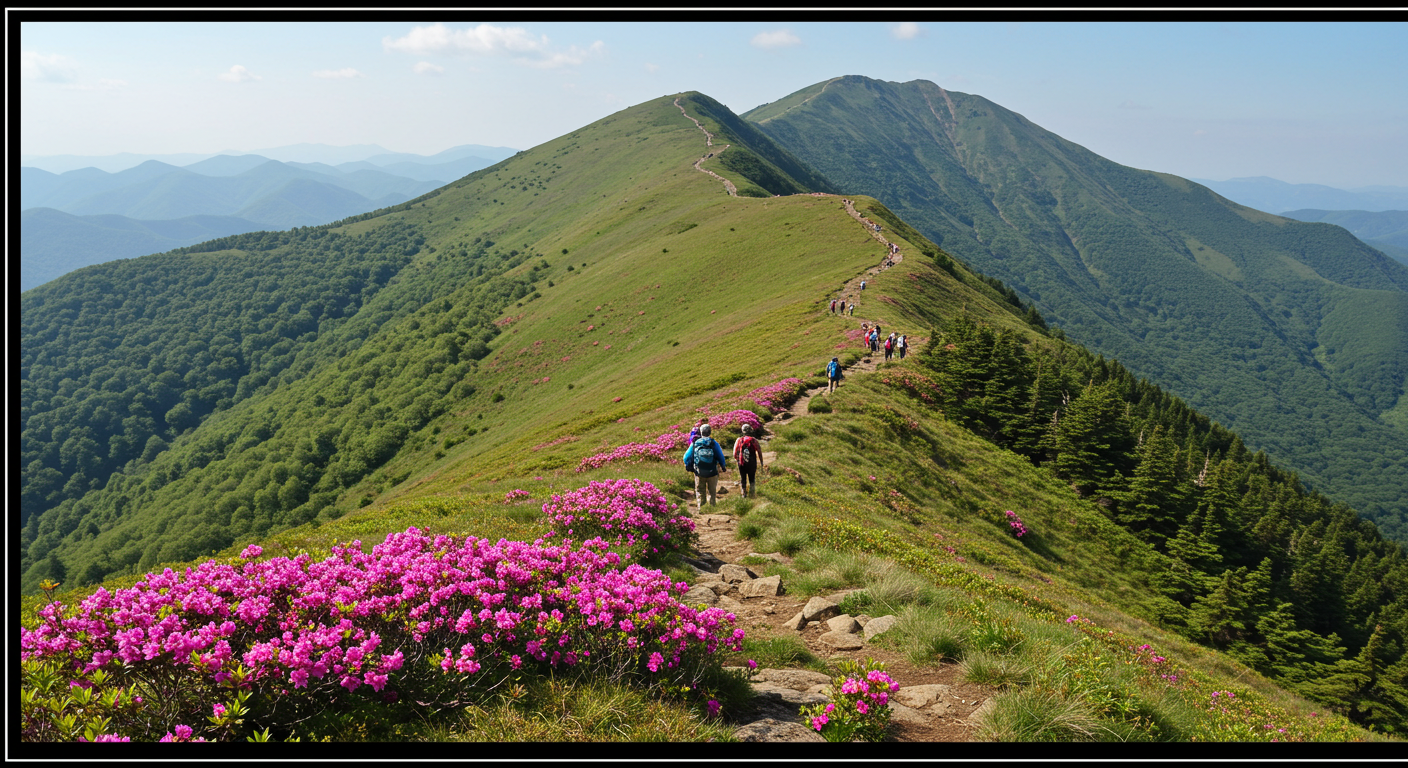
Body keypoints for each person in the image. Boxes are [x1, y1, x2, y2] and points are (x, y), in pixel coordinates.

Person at [683, 424, 728, 508]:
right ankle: (712, 507)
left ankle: (701, 508)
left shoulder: (695, 443)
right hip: (712, 471)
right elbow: (720, 456)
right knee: (712, 491)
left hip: (699, 471)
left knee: (700, 491)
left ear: (701, 432)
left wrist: (688, 465)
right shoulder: (713, 443)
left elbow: (686, 457)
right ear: (710, 432)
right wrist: (723, 466)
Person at [733, 423, 764, 499]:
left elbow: (734, 453)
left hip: (742, 463)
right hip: (752, 462)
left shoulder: (739, 440)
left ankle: (743, 493)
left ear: (742, 431)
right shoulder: (754, 440)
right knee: (752, 478)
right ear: (750, 430)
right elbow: (759, 452)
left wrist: (738, 460)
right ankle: (752, 494)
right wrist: (761, 462)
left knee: (743, 478)